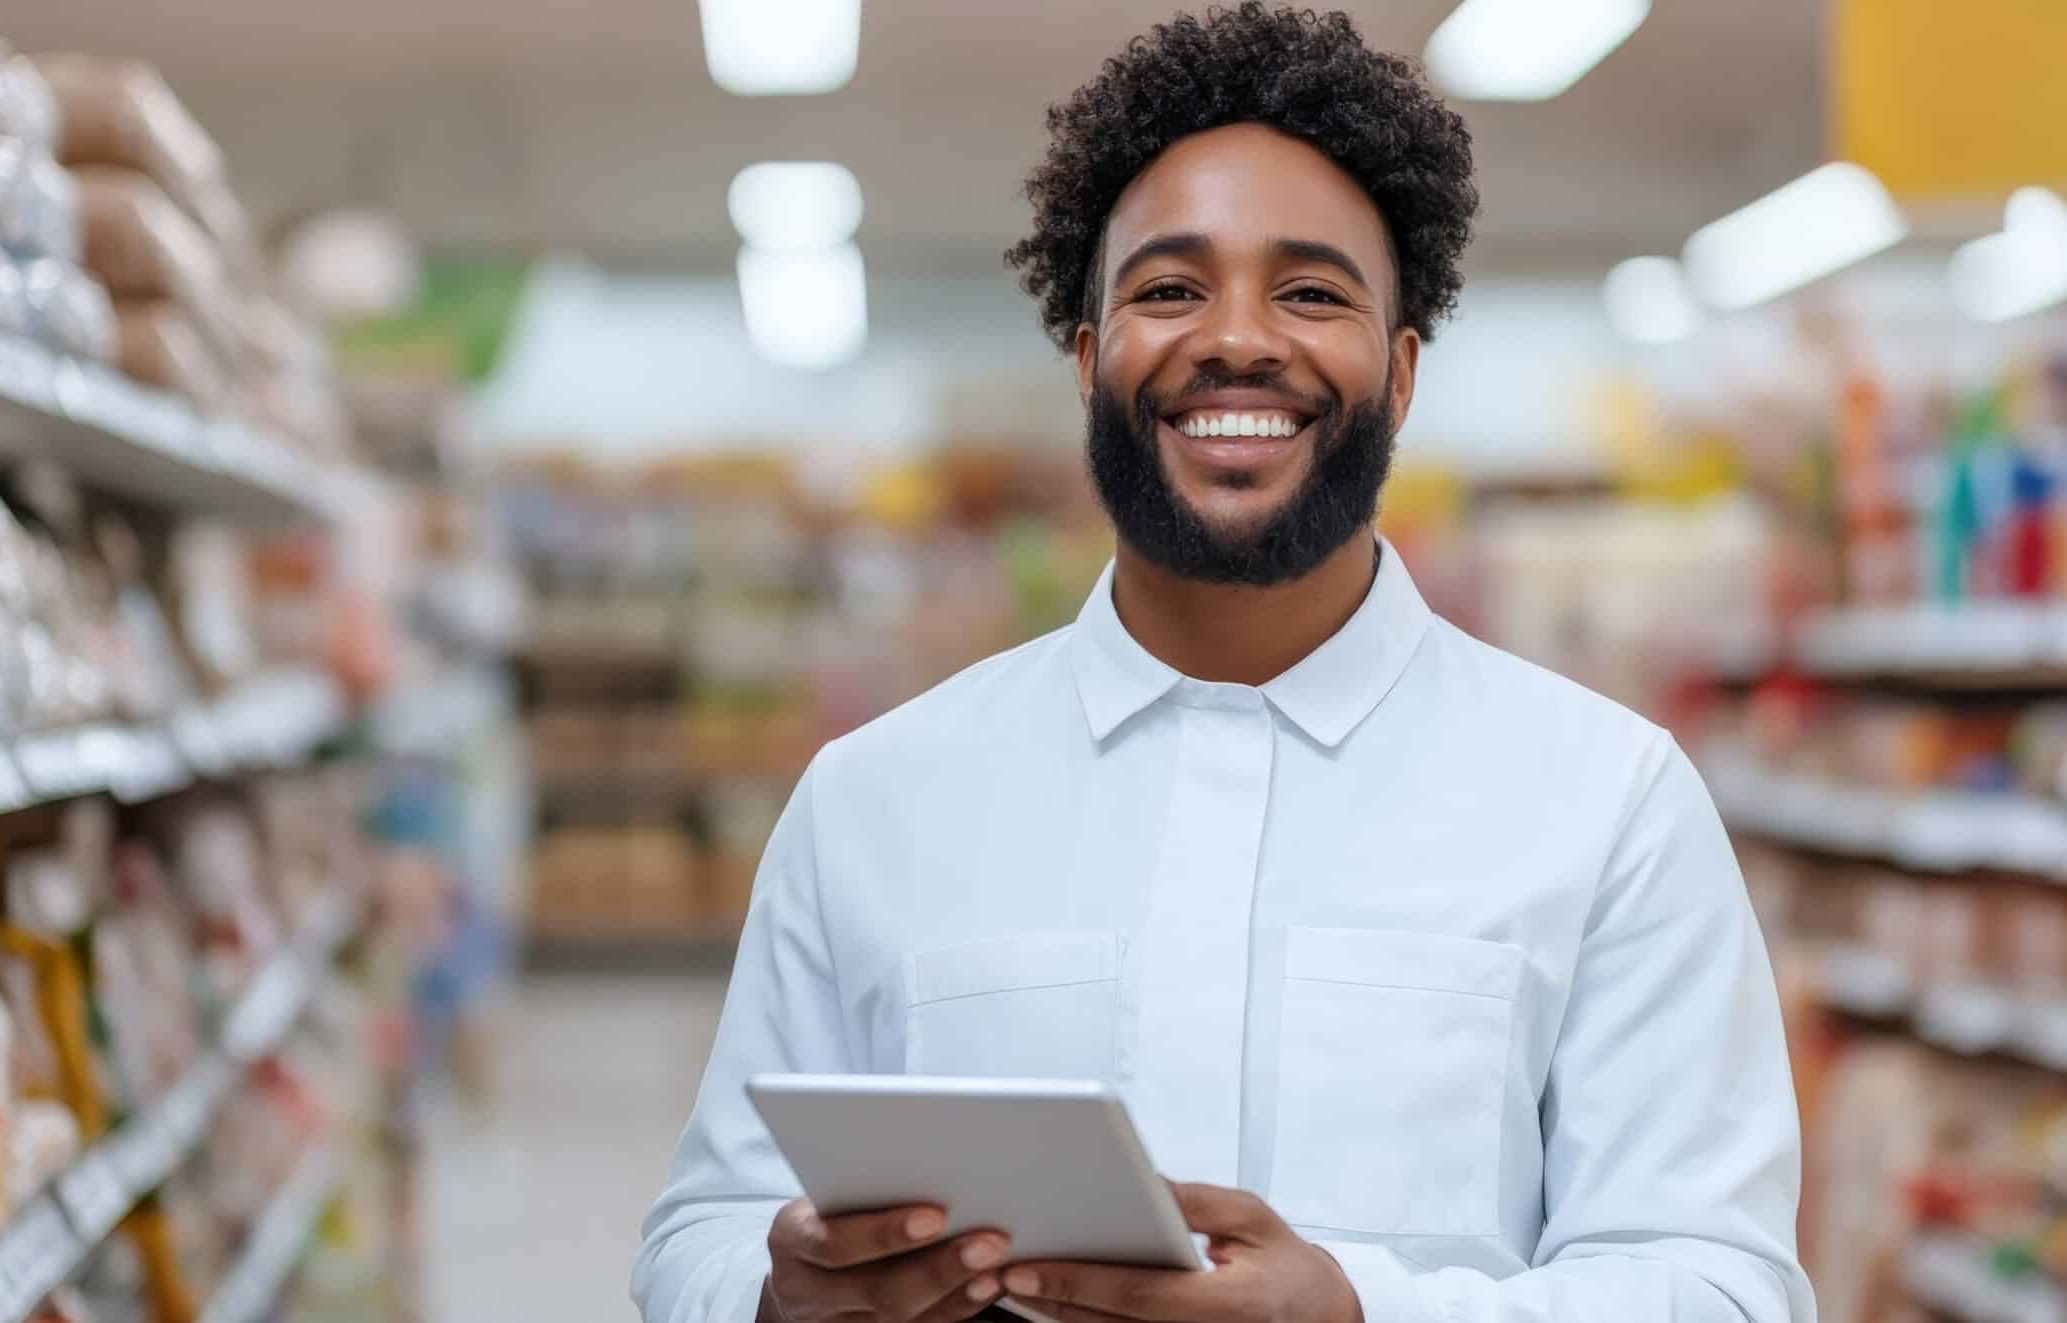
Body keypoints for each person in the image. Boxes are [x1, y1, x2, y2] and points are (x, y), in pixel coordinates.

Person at [634, 6, 1816, 1322]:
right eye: (1168, 288)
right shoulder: (874, 799)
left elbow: (1723, 1288)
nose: (1240, 338)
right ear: (1089, 362)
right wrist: (774, 1290)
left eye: (1312, 291)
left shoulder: (1608, 803)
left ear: (1403, 372)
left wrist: (1364, 1314)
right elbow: (705, 1229)